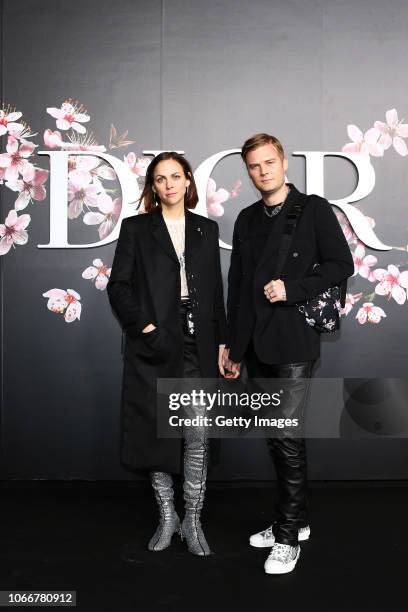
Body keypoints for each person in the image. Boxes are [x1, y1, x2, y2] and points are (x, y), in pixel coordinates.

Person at [222, 133, 354, 574]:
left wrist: (292, 289)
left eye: (269, 162)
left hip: (294, 341)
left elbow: (341, 265)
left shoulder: (313, 209)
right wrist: (233, 348)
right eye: (254, 166)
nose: (263, 171)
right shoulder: (245, 219)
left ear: (283, 163)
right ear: (248, 171)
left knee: (286, 437)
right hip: (256, 343)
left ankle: (287, 535)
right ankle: (293, 522)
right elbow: (238, 288)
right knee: (277, 440)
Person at [107, 152, 226, 556]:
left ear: (189, 181)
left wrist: (223, 342)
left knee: (197, 432)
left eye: (176, 176)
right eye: (161, 179)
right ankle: (167, 515)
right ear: (153, 187)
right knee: (158, 429)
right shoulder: (136, 229)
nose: (169, 184)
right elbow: (118, 287)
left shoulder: (207, 230)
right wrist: (146, 327)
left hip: (198, 342)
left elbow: (215, 294)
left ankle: (193, 519)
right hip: (154, 340)